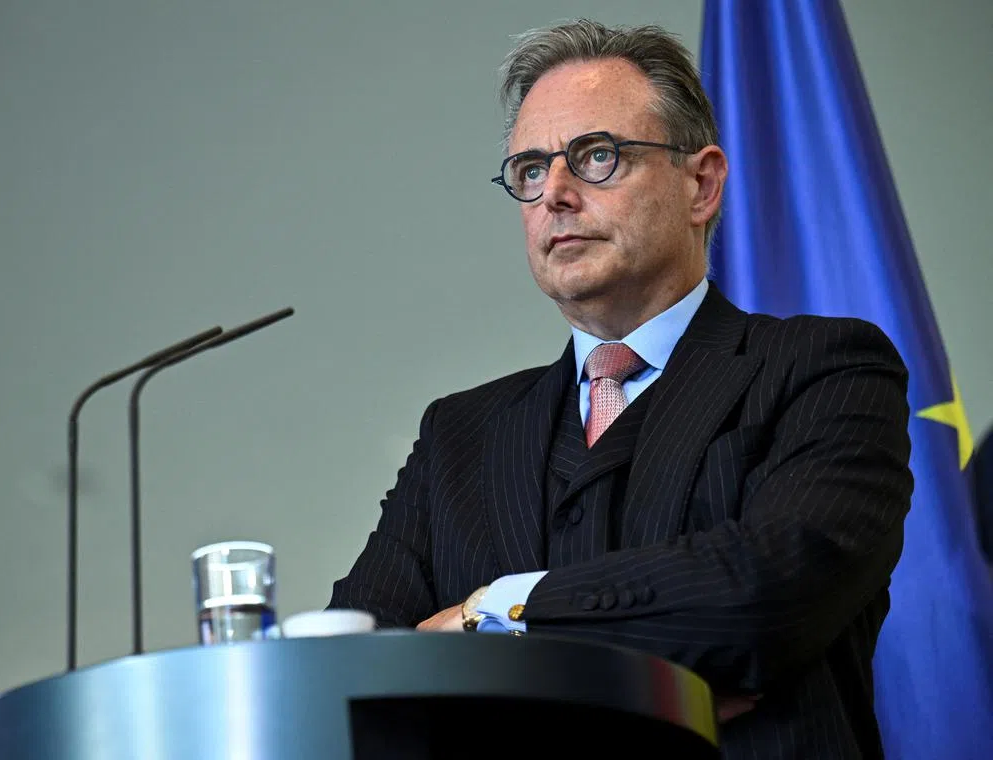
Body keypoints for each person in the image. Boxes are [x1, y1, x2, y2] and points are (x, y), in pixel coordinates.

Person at [329, 19, 913, 759]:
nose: (555, 194)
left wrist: (493, 612)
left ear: (701, 184)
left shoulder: (824, 370)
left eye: (597, 156)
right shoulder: (459, 434)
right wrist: (643, 664)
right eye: (530, 170)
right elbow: (357, 674)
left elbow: (762, 596)